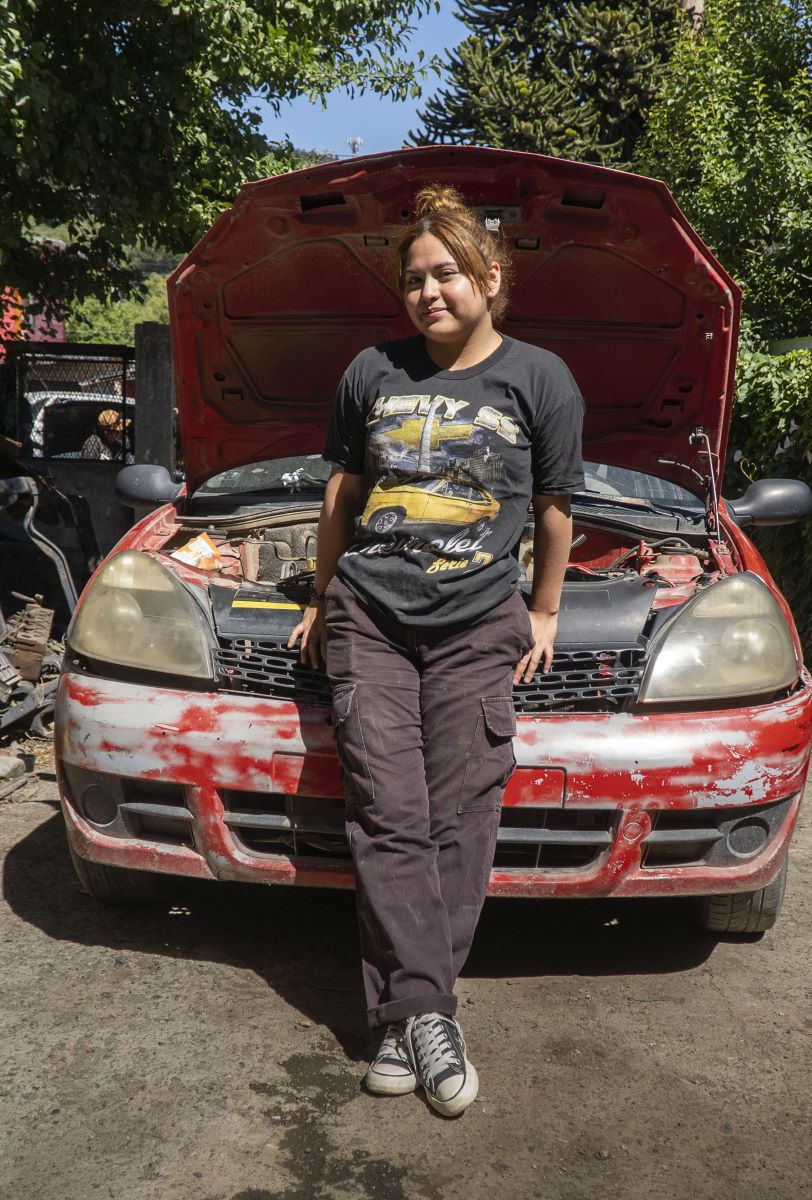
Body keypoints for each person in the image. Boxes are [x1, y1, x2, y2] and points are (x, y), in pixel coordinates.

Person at [286, 184, 584, 1117]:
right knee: (386, 805)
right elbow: (341, 495)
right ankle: (429, 1016)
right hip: (371, 614)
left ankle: (400, 1020)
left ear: (491, 279)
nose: (428, 292)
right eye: (414, 279)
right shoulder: (371, 370)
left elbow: (555, 509)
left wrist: (545, 613)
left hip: (475, 620)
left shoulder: (541, 379)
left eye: (447, 273)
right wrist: (325, 593)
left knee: (463, 812)